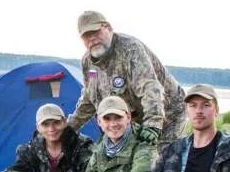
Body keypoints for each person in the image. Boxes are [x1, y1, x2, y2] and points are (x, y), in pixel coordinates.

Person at [68, 11, 186, 154]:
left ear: (108, 28)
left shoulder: (131, 50)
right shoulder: (88, 62)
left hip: (167, 113)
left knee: (161, 161)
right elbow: (88, 98)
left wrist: (153, 124)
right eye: (86, 35)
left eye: (96, 32)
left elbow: (149, 87)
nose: (92, 38)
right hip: (131, 120)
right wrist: (70, 128)